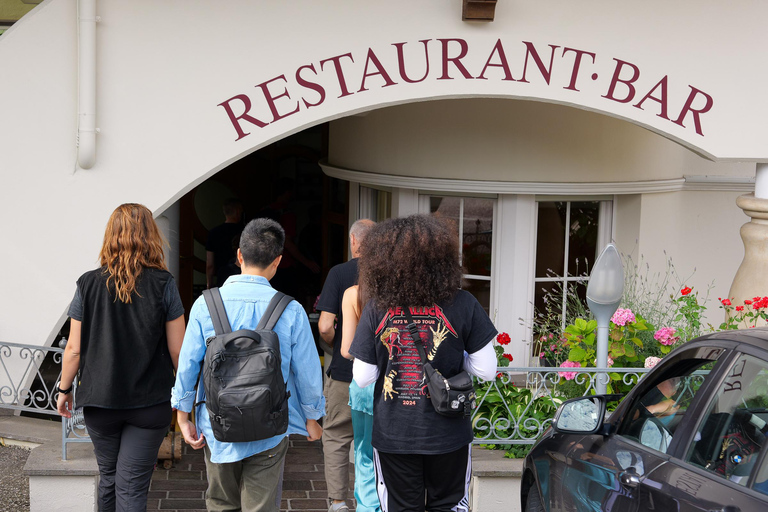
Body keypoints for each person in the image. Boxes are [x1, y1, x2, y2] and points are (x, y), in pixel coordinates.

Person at [172, 217, 325, 512]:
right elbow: (307, 371)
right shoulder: (291, 310)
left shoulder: (206, 304)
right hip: (270, 426)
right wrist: (312, 417)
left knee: (220, 502)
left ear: (239, 255)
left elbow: (188, 363)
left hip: (217, 425)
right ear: (278, 261)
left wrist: (182, 415)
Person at [349, 214, 498, 512]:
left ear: (382, 261)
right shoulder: (463, 303)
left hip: (394, 435)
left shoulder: (377, 308)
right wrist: (454, 359)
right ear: (442, 259)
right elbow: (487, 370)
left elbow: (363, 377)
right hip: (449, 433)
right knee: (449, 506)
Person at [57, 203, 186, 512]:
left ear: (110, 236)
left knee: (111, 480)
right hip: (150, 403)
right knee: (131, 487)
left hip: (101, 402)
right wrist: (187, 396)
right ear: (151, 236)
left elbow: (73, 349)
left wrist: (63, 390)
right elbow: (178, 350)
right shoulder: (164, 284)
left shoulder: (87, 284)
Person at [316, 219, 376, 512]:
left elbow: (326, 325)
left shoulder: (339, 273)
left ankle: (338, 502)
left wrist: (333, 346)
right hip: (381, 372)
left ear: (353, 241)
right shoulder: (390, 274)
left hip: (344, 370)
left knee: (337, 436)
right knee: (375, 439)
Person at [340, 284, 380, 512]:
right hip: (398, 382)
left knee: (365, 454)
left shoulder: (354, 293)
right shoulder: (404, 291)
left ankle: (367, 507)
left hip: (364, 383)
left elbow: (346, 350)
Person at [206, 197, 244, 288]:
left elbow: (210, 264)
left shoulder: (214, 233)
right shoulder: (244, 232)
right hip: (241, 277)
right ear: (238, 211)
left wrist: (209, 284)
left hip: (222, 278)